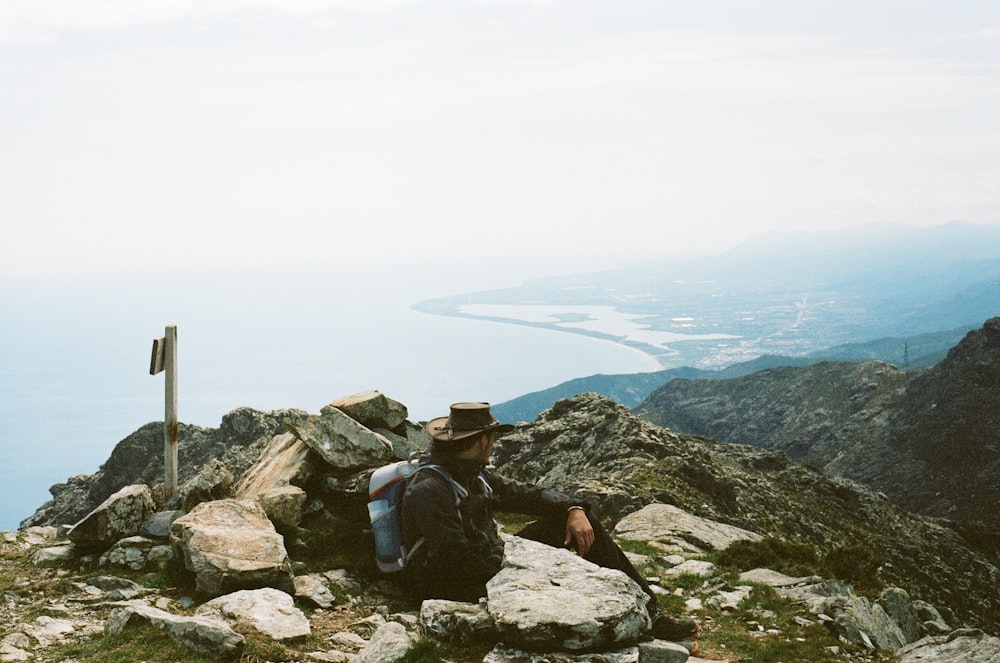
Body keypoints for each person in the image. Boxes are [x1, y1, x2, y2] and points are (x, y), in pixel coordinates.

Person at [400, 402, 699, 643]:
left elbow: (528, 495)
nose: (494, 444)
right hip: (454, 584)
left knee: (582, 520)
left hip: (486, 563)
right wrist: (525, 565)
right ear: (482, 441)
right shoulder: (430, 489)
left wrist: (573, 508)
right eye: (492, 438)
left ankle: (651, 614)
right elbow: (455, 559)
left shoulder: (473, 474)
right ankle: (641, 617)